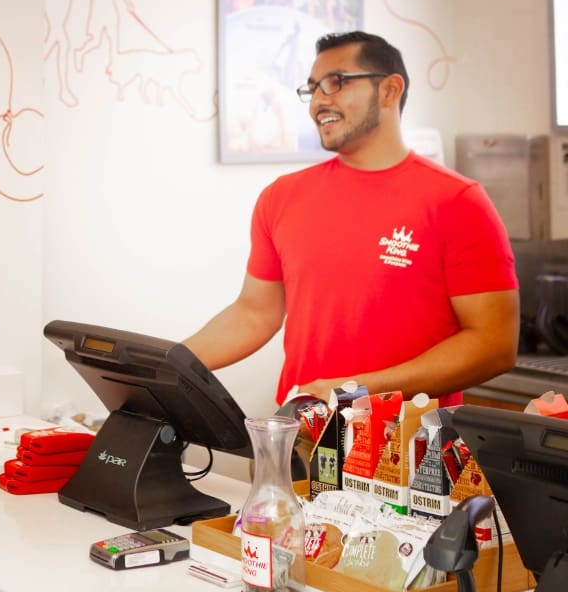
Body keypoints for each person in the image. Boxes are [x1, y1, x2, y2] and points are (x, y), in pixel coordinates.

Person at [185, 31, 519, 407]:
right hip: (303, 437)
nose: (318, 102)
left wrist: (357, 390)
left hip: (405, 451)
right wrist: (171, 365)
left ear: (390, 91)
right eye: (312, 89)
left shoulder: (457, 202)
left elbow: (494, 345)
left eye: (336, 82)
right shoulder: (281, 197)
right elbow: (253, 313)